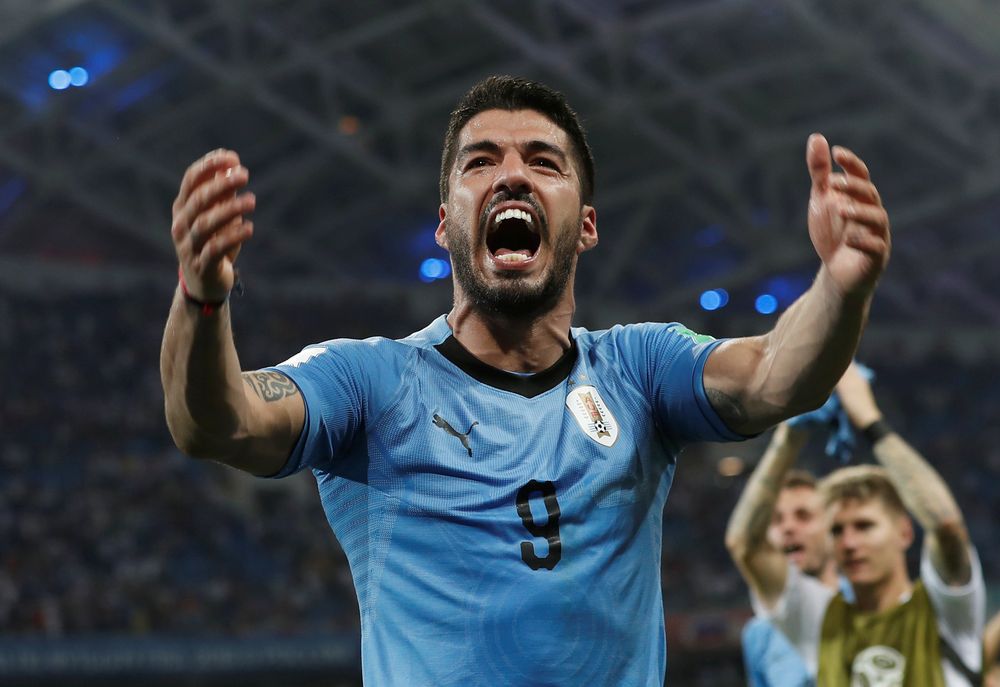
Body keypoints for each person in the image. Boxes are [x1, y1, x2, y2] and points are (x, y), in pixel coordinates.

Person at [160, 75, 890, 685]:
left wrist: (841, 287)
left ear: (589, 223)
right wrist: (200, 298)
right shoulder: (373, 382)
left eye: (544, 160)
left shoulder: (639, 368)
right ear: (446, 225)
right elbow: (219, 422)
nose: (511, 172)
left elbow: (771, 377)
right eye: (480, 161)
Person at [734, 362, 985, 686]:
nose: (849, 543)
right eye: (837, 530)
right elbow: (745, 545)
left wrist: (869, 421)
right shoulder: (820, 620)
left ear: (905, 532)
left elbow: (947, 526)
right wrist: (789, 436)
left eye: (864, 526)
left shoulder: (946, 611)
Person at [726, 422, 845, 686]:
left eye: (803, 515)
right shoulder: (759, 636)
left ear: (831, 530)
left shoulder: (868, 604)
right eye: (776, 520)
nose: (789, 527)